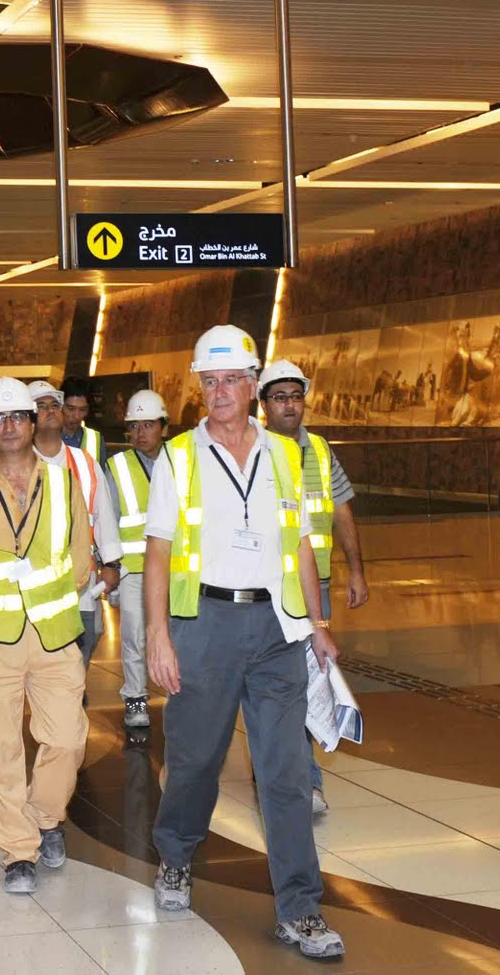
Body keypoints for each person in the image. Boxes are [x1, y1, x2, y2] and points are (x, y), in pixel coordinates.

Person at [144, 326, 344, 960]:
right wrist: (157, 636)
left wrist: (317, 624)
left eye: (231, 379)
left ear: (253, 384)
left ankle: (300, 907)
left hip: (278, 630)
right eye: (210, 380)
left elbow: (302, 544)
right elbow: (157, 553)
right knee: (196, 759)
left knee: (285, 771)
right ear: (199, 385)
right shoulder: (178, 456)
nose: (220, 391)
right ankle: (175, 855)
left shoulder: (286, 456)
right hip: (204, 626)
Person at [0, 378, 92, 893]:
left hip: (53, 632)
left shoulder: (63, 481)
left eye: (17, 417)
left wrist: (42, 591)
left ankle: (45, 814)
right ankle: (18, 850)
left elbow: (79, 558)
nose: (8, 426)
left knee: (68, 738)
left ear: (34, 423)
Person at [260, 359, 368, 815]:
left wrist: (357, 570)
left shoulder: (320, 451)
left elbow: (341, 510)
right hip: (262, 589)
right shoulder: (253, 449)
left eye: (296, 396)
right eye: (280, 397)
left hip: (313, 587)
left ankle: (307, 781)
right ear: (263, 403)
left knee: (307, 684)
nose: (290, 405)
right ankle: (278, 776)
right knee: (269, 688)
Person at [29, 382, 122, 674]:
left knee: (84, 640)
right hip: (33, 584)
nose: (50, 411)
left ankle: (73, 699)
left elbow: (104, 514)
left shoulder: (83, 462)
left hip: (80, 580)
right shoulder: (16, 462)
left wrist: (113, 564)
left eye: (54, 405)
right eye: (41, 406)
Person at [104, 389, 170, 734]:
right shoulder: (117, 467)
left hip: (177, 570)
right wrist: (111, 566)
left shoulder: (181, 460)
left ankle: (178, 695)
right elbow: (109, 519)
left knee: (178, 636)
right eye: (135, 426)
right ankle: (135, 698)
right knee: (133, 638)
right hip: (134, 569)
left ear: (163, 426)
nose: (141, 432)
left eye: (149, 424)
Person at [59, 376, 103, 462]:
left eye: (82, 410)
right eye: (71, 409)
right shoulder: (46, 437)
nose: (77, 416)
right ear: (60, 405)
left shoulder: (95, 440)